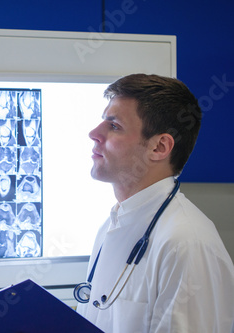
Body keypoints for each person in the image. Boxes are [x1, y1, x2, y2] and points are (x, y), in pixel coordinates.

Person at [76, 74, 234, 332]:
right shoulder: (110, 227)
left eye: (114, 126)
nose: (94, 133)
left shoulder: (186, 244)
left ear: (160, 147)